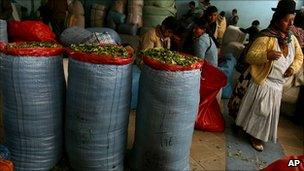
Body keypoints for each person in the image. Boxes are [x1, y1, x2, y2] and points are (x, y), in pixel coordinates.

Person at [235, 0, 303, 151]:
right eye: (286, 20)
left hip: (278, 85)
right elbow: (250, 56)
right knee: (259, 110)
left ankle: (255, 134)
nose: (290, 24)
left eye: (292, 20)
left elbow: (299, 57)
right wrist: (266, 55)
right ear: (278, 20)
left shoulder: (292, 39)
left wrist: (293, 68)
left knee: (264, 112)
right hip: (263, 82)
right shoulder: (266, 36)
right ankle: (253, 135)